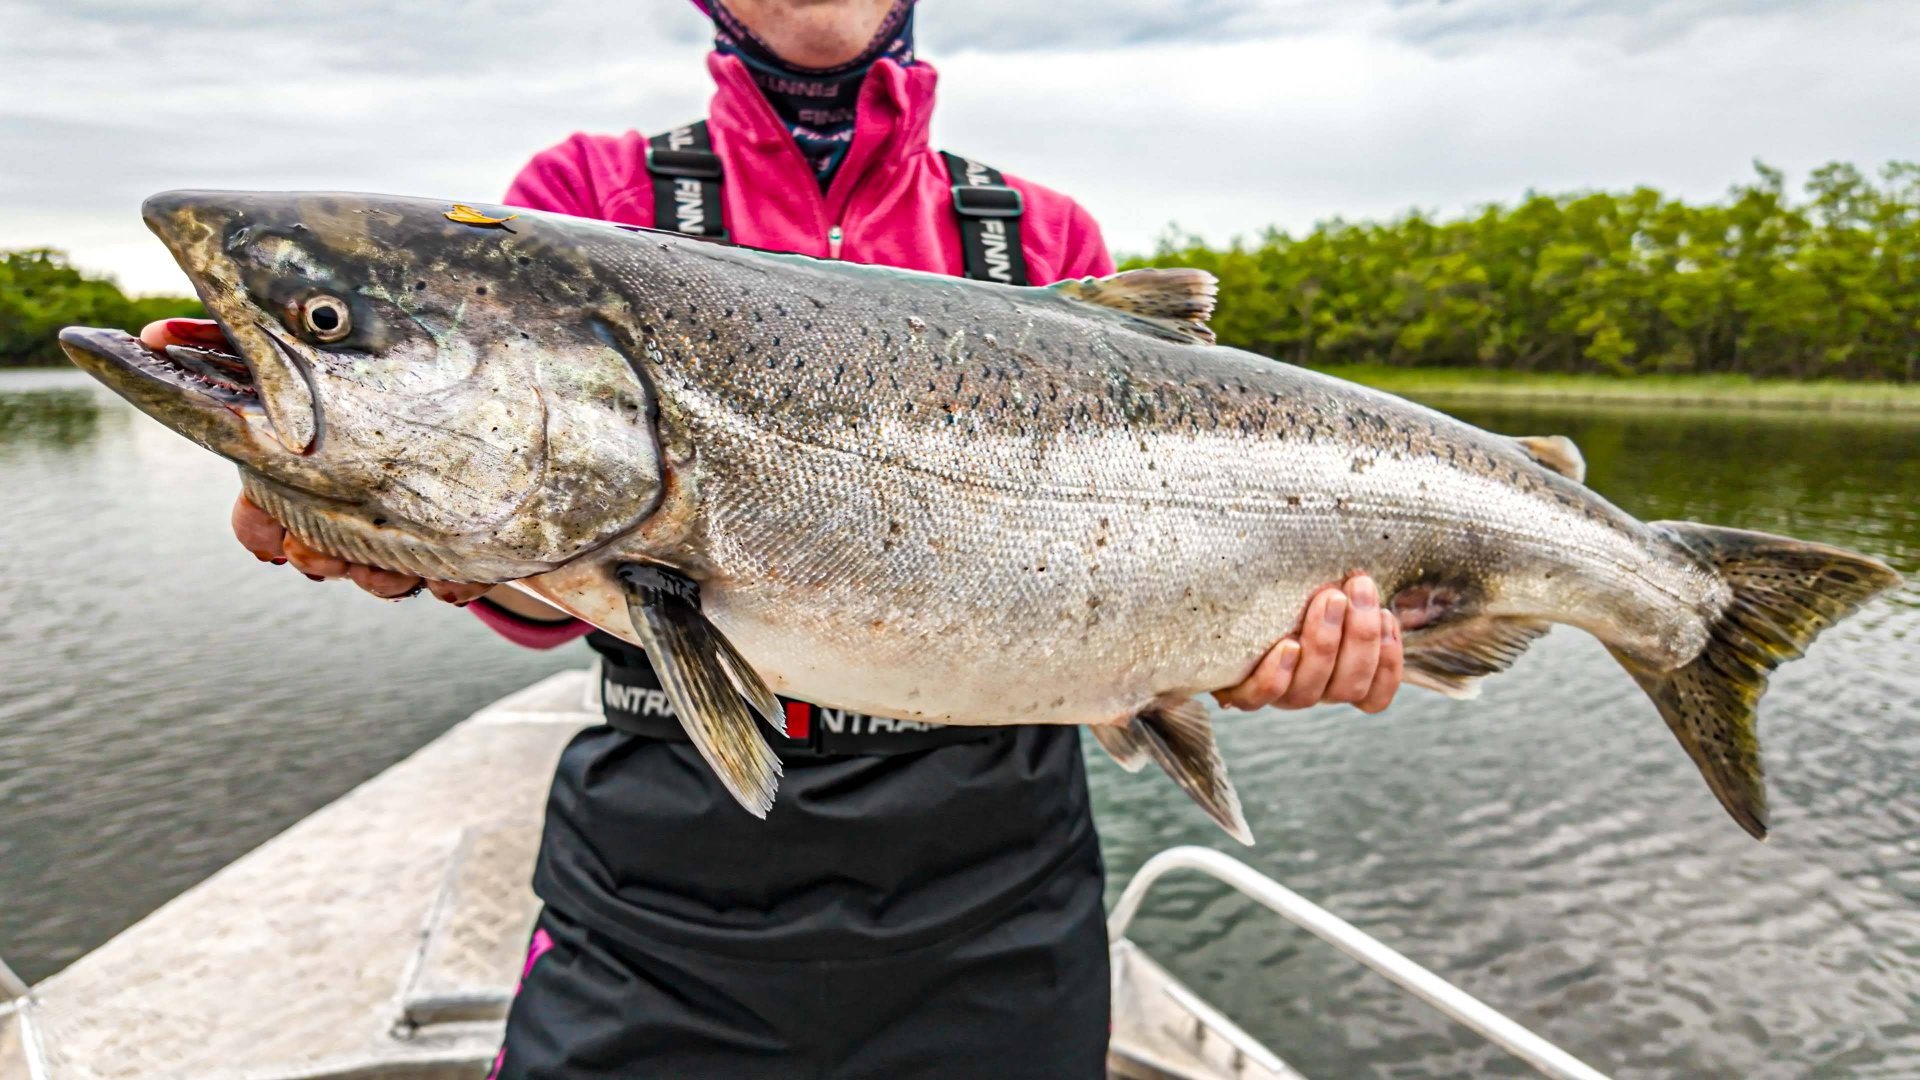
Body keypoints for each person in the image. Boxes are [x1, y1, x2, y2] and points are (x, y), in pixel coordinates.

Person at [148, 1, 1406, 1075]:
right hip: (661, 915)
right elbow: (546, 573)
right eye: (322, 318)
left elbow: (1139, 578)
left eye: (322, 320)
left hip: (1001, 921)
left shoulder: (1038, 236)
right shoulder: (582, 203)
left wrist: (1243, 645)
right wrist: (419, 537)